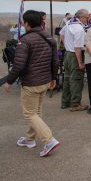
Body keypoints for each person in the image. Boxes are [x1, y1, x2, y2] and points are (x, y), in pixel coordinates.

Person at [3, 10, 60, 157]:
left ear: (26, 23)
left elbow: (18, 65)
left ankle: (49, 140)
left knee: (29, 113)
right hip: (45, 81)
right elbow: (55, 61)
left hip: (32, 83)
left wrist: (9, 81)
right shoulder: (49, 38)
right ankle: (30, 139)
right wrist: (54, 78)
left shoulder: (25, 40)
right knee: (37, 111)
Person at [60, 9, 90, 111]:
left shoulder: (69, 23)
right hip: (74, 54)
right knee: (76, 79)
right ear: (81, 17)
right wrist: (80, 62)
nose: (88, 19)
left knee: (67, 78)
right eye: (87, 17)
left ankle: (65, 102)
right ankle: (75, 104)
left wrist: (67, 45)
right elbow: (78, 47)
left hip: (68, 53)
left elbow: (61, 33)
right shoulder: (79, 29)